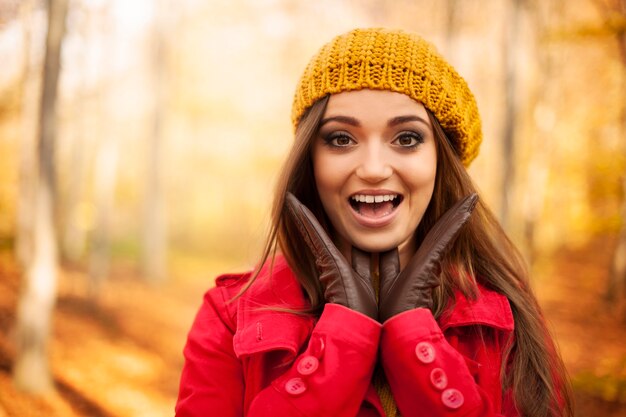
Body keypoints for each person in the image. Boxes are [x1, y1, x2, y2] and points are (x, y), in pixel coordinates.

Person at [175, 28, 574, 417]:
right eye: (341, 139)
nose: (373, 169)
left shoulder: (505, 315)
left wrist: (413, 336)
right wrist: (346, 336)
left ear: (441, 160)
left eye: (406, 139)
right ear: (310, 159)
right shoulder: (229, 316)